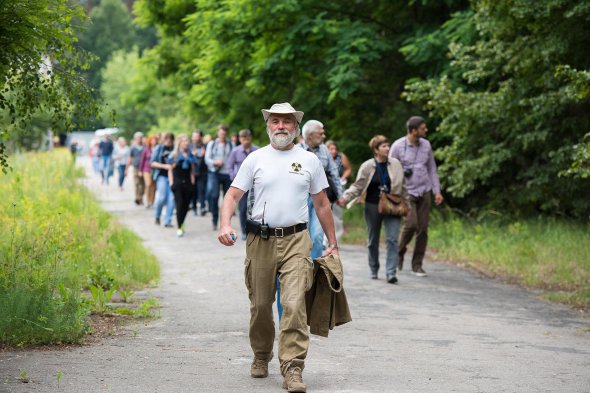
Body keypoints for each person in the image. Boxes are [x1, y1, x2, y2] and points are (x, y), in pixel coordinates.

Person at [217, 102, 339, 393]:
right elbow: (232, 196)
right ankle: (261, 354)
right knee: (260, 305)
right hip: (260, 241)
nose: (281, 126)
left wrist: (332, 243)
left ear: (296, 128)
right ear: (268, 126)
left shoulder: (309, 161)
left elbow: (322, 204)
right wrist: (225, 224)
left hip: (297, 240)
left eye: (287, 121)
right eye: (275, 121)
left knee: (295, 305)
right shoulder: (255, 159)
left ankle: (293, 367)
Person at [343, 135, 409, 283]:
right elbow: (358, 186)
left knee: (392, 239)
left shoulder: (396, 164)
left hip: (393, 205)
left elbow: (403, 186)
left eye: (388, 145)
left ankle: (391, 272)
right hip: (372, 205)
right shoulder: (367, 166)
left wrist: (408, 205)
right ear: (376, 150)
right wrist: (345, 197)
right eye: (384, 146)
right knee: (373, 240)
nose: (387, 148)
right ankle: (374, 267)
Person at [390, 116, 443, 277]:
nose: (426, 130)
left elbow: (432, 168)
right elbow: (390, 168)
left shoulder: (426, 145)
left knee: (423, 229)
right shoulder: (398, 146)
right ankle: (399, 252)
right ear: (413, 130)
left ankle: (417, 264)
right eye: (422, 128)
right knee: (411, 224)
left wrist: (437, 191)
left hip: (424, 190)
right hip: (406, 192)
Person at [299, 120, 344, 259]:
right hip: (302, 199)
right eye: (321, 133)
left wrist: (340, 195)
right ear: (310, 136)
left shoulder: (325, 150)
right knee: (302, 235)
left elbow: (334, 173)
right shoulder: (297, 150)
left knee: (317, 235)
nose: (324, 135)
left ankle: (313, 268)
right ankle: (301, 265)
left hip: (321, 197)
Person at [227, 129, 260, 240]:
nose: (245, 141)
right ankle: (244, 231)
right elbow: (230, 167)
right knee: (242, 209)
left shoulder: (257, 151)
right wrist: (234, 178)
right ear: (240, 139)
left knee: (256, 208)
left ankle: (256, 230)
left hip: (255, 185)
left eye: (247, 138)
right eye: (243, 139)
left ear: (250, 138)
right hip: (241, 186)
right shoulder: (235, 151)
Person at [205, 124, 234, 230]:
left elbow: (233, 159)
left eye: (224, 134)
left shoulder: (231, 145)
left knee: (227, 199)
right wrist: (215, 162)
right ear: (218, 133)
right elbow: (207, 159)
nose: (222, 135)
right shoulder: (212, 144)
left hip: (226, 174)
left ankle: (226, 221)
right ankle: (214, 218)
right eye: (221, 133)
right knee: (214, 196)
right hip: (214, 173)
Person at [168, 134, 196, 237]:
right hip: (177, 182)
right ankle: (179, 227)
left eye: (187, 141)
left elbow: (192, 170)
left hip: (188, 182)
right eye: (184, 141)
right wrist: (171, 182)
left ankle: (182, 223)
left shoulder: (190, 155)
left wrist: (193, 183)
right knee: (179, 205)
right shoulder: (174, 155)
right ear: (179, 142)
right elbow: (170, 169)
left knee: (186, 206)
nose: (186, 143)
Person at [325, 140, 352, 241]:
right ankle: (325, 239)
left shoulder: (341, 157)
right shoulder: (323, 158)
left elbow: (348, 169)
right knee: (325, 211)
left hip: (338, 186)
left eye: (335, 149)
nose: (334, 151)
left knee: (337, 213)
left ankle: (337, 238)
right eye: (331, 149)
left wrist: (343, 178)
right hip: (326, 186)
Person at [151, 133, 175, 227]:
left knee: (172, 199)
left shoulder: (175, 149)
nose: (168, 142)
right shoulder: (159, 148)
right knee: (161, 198)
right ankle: (157, 215)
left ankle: (167, 221)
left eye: (170, 140)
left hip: (173, 177)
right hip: (161, 176)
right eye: (167, 140)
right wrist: (164, 166)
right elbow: (152, 163)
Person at [190, 130, 208, 216]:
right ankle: (193, 208)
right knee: (193, 191)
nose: (194, 138)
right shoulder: (190, 147)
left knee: (201, 190)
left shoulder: (205, 146)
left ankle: (202, 207)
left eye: (196, 136)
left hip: (203, 172)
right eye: (193, 136)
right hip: (192, 172)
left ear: (200, 137)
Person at [140, 135, 158, 208]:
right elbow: (142, 160)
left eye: (155, 140)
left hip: (155, 169)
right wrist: (140, 170)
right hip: (146, 169)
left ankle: (152, 201)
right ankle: (147, 201)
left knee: (154, 186)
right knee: (148, 184)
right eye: (152, 140)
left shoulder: (158, 148)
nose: (153, 142)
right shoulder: (146, 149)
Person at [128, 132, 146, 205]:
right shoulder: (133, 148)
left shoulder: (145, 147)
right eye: (137, 138)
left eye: (140, 138)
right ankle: (137, 197)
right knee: (136, 183)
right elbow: (130, 158)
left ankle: (141, 197)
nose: (139, 139)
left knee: (143, 184)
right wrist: (127, 168)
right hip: (136, 167)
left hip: (144, 168)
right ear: (135, 139)